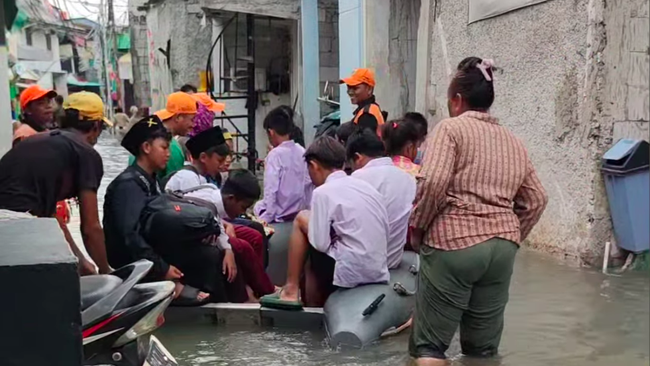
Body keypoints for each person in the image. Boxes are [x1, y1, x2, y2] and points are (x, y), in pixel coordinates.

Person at [408, 57, 548, 365]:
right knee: (482, 352)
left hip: (453, 244)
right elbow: (537, 199)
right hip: (501, 252)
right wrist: (509, 235)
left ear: (457, 100)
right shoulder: (514, 141)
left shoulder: (451, 129)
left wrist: (418, 228)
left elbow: (434, 181)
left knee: (429, 348)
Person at [104, 116, 245, 305]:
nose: (169, 154)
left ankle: (232, 302)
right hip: (135, 262)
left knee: (210, 244)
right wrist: (162, 269)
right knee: (208, 256)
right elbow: (131, 237)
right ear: (146, 148)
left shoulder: (150, 180)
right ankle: (213, 307)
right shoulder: (129, 185)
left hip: (154, 251)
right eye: (164, 147)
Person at [260, 136, 390, 309]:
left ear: (313, 166)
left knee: (301, 220)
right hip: (378, 268)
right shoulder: (366, 187)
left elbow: (320, 244)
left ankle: (292, 290)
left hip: (349, 271)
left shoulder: (323, 192)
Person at [0, 91, 113, 275]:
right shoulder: (85, 152)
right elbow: (90, 228)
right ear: (96, 126)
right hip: (17, 226)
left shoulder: (38, 141)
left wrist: (80, 260)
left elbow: (51, 217)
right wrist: (106, 271)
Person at [165, 127, 274, 298]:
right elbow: (199, 214)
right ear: (203, 158)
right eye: (219, 159)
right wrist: (226, 241)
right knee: (242, 245)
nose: (223, 163)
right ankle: (259, 289)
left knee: (253, 233)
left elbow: (212, 212)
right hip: (195, 234)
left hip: (214, 225)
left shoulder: (204, 180)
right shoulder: (187, 178)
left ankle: (255, 283)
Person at [346, 130, 416, 269]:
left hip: (363, 265)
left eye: (351, 165)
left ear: (357, 157)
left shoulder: (356, 179)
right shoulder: (408, 179)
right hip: (393, 260)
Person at [254, 105, 312, 224]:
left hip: (279, 214)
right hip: (299, 211)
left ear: (271, 132)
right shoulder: (301, 150)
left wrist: (267, 218)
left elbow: (271, 189)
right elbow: (308, 184)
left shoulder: (275, 155)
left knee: (257, 206)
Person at [128, 92, 197, 179]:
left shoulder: (145, 137)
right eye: (192, 119)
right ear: (178, 117)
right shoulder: (173, 148)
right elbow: (174, 188)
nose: (193, 124)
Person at [340, 68, 385, 135]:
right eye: (348, 87)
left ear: (369, 89)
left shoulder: (367, 115)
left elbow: (365, 143)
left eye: (355, 88)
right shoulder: (368, 109)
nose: (350, 92)